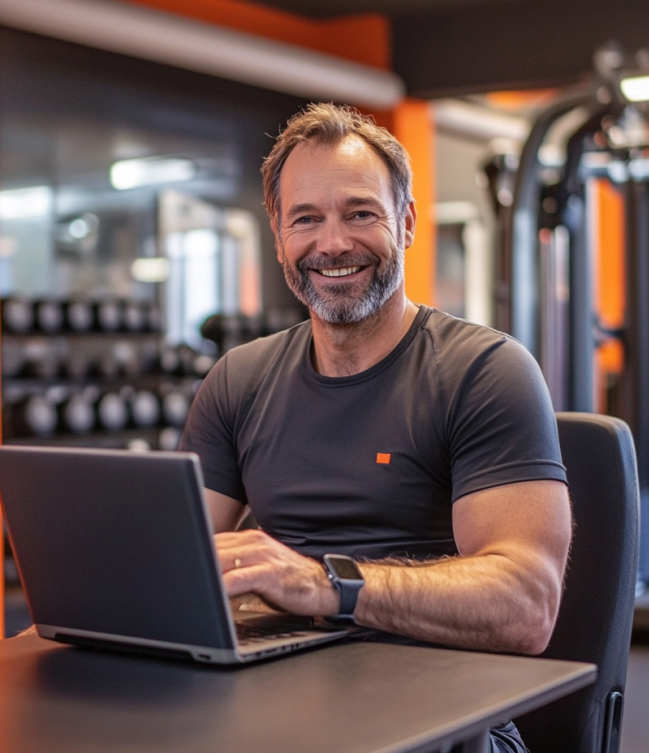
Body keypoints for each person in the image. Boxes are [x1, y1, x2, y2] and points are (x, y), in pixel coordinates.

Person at [179, 103, 572, 753]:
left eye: (360, 212)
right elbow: (177, 565)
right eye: (306, 218)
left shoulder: (484, 372)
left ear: (408, 222)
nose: (332, 242)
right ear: (278, 236)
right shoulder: (237, 380)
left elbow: (527, 604)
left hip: (445, 718)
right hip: (277, 704)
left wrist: (323, 584)